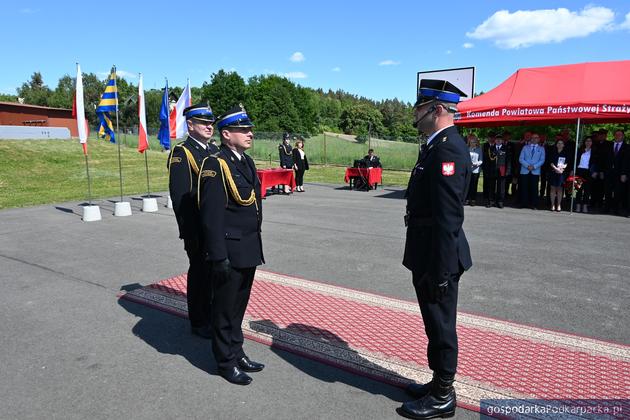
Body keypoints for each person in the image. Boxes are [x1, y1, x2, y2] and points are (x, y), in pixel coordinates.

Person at [398, 79, 472, 420]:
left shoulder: (448, 149)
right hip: (426, 251)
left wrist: (441, 270)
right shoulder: (434, 145)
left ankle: (443, 394)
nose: (415, 114)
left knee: (442, 325)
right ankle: (437, 382)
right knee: (433, 323)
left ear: (436, 110)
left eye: (419, 108)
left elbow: (448, 218)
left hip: (437, 256)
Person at [197, 104, 265, 386]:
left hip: (248, 247)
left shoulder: (244, 161)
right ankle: (225, 361)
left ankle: (237, 351)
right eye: (242, 129)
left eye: (249, 129)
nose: (249, 133)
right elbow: (211, 216)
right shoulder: (216, 164)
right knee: (224, 309)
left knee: (238, 307)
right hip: (228, 250)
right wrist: (217, 255)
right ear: (226, 134)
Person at [167, 103, 216, 339]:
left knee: (214, 274)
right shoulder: (182, 153)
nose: (209, 126)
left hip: (215, 227)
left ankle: (211, 313)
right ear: (190, 125)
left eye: (211, 123)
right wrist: (190, 233)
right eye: (203, 123)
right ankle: (199, 320)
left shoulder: (212, 150)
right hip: (197, 228)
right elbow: (180, 198)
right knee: (200, 273)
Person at [604, 129, 629, 215]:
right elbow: (604, 160)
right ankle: (606, 208)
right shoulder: (609, 146)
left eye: (620, 135)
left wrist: (624, 173)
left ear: (623, 136)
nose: (618, 136)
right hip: (608, 172)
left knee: (618, 192)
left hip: (620, 174)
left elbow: (627, 162)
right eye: (616, 135)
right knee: (607, 191)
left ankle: (616, 209)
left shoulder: (627, 147)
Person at [518, 132, 546, 209]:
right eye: (533, 137)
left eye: (536, 137)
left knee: (534, 188)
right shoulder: (525, 147)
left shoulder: (541, 148)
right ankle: (524, 203)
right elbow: (521, 159)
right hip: (525, 170)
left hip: (535, 171)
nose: (534, 139)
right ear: (531, 139)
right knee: (524, 187)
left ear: (539, 139)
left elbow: (542, 160)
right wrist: (527, 166)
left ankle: (533, 204)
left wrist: (534, 167)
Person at [485, 133, 511, 208]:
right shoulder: (491, 148)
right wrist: (487, 170)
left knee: (501, 187)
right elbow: (487, 160)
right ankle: (491, 201)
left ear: (502, 140)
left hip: (502, 169)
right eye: (497, 139)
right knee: (491, 186)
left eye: (500, 139)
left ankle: (500, 201)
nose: (498, 140)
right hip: (492, 170)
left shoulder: (506, 148)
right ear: (495, 140)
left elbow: (508, 161)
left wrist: (508, 170)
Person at [547, 139, 572, 212]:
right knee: (552, 189)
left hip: (561, 173)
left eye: (561, 143)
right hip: (553, 172)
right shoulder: (552, 152)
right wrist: (555, 168)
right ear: (556, 144)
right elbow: (550, 162)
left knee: (560, 189)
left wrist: (562, 168)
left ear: (564, 145)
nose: (560, 144)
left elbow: (567, 163)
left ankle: (558, 205)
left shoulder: (566, 153)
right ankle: (552, 205)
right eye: (558, 143)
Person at [575, 136, 596, 213]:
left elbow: (596, 162)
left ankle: (584, 206)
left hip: (588, 172)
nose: (588, 142)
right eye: (587, 141)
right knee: (578, 189)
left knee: (587, 190)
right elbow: (576, 160)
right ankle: (578, 206)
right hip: (580, 171)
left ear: (592, 142)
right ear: (584, 142)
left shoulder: (594, 151)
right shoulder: (580, 150)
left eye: (590, 141)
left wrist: (595, 171)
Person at [466, 135, 482, 206]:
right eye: (471, 142)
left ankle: (473, 200)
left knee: (474, 185)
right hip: (468, 170)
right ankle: (467, 199)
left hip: (476, 170)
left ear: (476, 142)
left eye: (474, 142)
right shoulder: (467, 149)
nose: (473, 143)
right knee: (468, 185)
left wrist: (475, 164)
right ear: (469, 142)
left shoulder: (479, 149)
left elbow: (481, 160)